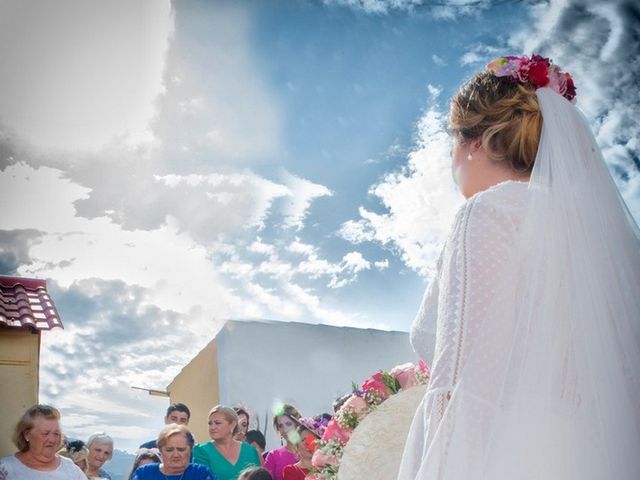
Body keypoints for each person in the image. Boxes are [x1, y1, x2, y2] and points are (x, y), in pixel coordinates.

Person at [398, 54, 640, 479]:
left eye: (451, 143)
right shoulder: (588, 235)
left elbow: (466, 382)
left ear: (474, 142)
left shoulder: (489, 212)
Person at [0, 404, 86, 479]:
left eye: (56, 434)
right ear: (27, 435)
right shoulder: (6, 469)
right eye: (45, 433)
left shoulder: (71, 469)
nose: (52, 440)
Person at [192, 405, 261, 480]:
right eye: (210, 423)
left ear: (232, 424)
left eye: (217, 423)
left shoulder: (250, 451)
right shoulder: (201, 451)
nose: (212, 427)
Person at [131, 424, 216, 480]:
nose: (176, 455)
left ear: (190, 450)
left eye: (181, 449)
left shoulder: (201, 473)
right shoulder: (144, 474)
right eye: (169, 450)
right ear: (160, 450)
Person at [262, 404, 300, 480]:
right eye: (280, 426)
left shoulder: (311, 452)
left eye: (288, 424)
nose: (285, 429)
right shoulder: (273, 456)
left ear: (297, 424)